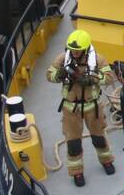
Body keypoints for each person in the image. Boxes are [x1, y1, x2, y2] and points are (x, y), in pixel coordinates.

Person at [46, 30, 115, 186]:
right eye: (72, 49)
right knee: (73, 143)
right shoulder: (62, 59)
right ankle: (76, 172)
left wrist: (92, 79)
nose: (75, 52)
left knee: (99, 137)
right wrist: (60, 74)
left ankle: (106, 161)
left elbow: (110, 77)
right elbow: (49, 75)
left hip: (93, 106)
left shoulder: (98, 60)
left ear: (85, 48)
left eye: (78, 50)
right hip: (71, 108)